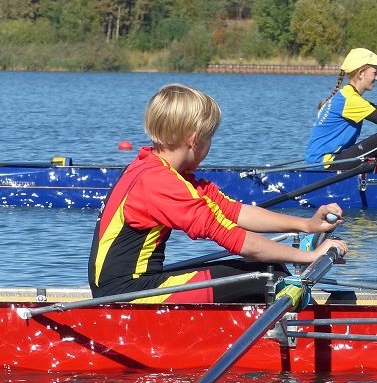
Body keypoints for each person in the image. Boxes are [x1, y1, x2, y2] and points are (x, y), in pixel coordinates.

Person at [89, 84, 347, 304]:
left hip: (132, 285)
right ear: (194, 139)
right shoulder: (159, 182)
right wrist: (311, 256)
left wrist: (306, 225)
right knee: (268, 277)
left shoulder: (153, 166)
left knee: (267, 269)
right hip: (126, 294)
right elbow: (242, 244)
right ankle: (291, 334)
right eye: (210, 138)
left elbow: (235, 212)